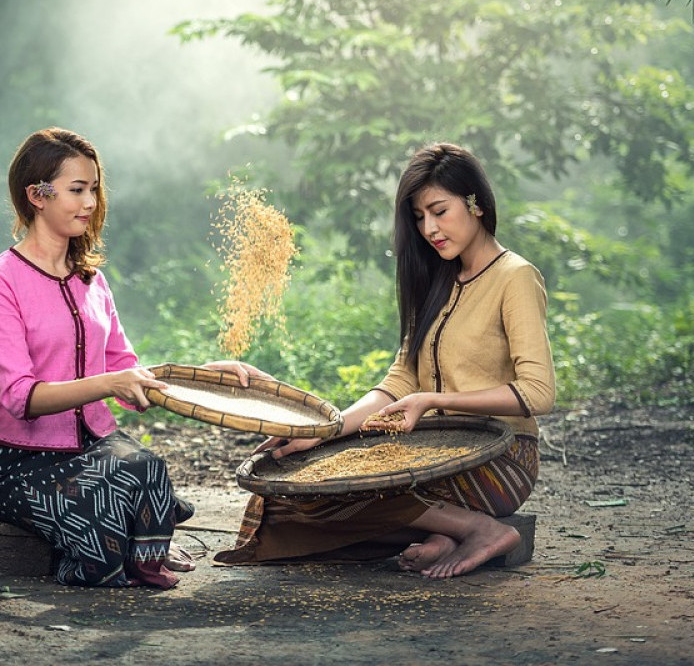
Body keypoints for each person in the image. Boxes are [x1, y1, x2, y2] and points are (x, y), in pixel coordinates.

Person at [215, 142, 555, 579]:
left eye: (439, 210)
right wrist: (325, 431)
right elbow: (399, 381)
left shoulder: (516, 277)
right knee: (290, 489)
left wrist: (429, 401)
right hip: (425, 453)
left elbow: (539, 392)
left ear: (476, 205)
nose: (429, 227)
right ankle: (443, 535)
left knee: (347, 496)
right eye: (419, 217)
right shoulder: (437, 279)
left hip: (498, 458)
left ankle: (481, 529)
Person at [0, 127, 262, 589]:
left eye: (93, 189)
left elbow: (124, 366)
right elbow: (19, 398)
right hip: (20, 462)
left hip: (95, 446)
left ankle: (142, 538)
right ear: (37, 195)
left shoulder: (91, 280)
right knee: (104, 540)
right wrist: (109, 384)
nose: (89, 202)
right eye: (76, 190)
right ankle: (129, 537)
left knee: (147, 469)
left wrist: (199, 377)